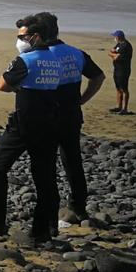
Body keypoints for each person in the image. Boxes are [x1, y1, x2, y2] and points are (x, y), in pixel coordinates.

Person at [0, 13, 66, 244]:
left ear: (34, 37)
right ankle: (42, 229)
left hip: (24, 125)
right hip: (49, 123)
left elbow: (2, 85)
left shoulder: (25, 60)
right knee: (44, 179)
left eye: (21, 36)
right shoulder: (55, 60)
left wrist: (21, 87)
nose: (19, 40)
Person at [51, 14, 105, 222]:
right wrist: (82, 100)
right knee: (72, 160)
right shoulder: (76, 54)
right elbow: (98, 77)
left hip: (49, 115)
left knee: (46, 163)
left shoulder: (43, 56)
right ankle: (78, 206)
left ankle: (51, 210)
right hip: (72, 114)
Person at [109, 30, 133, 115]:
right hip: (117, 69)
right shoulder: (119, 44)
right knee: (118, 88)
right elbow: (111, 51)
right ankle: (119, 106)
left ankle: (125, 109)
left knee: (124, 89)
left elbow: (116, 57)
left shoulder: (126, 45)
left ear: (118, 37)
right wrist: (114, 54)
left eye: (115, 37)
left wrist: (114, 54)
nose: (114, 38)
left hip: (124, 70)